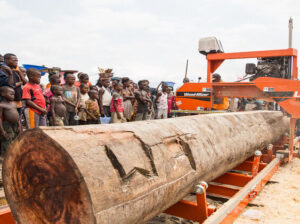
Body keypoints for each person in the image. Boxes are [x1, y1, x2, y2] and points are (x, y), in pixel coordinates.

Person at [0, 86, 21, 156]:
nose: (13, 96)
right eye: (11, 94)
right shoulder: (1, 105)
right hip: (7, 125)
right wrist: (2, 131)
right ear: (3, 94)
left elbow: (18, 116)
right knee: (7, 140)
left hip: (15, 125)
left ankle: (13, 157)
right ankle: (4, 158)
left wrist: (19, 125)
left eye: (14, 94)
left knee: (15, 139)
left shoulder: (13, 104)